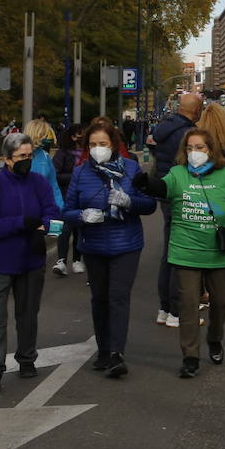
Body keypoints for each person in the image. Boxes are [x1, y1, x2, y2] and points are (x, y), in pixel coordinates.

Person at [134, 128, 225, 378]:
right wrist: (146, 183)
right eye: (189, 148)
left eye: (200, 148)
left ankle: (215, 338)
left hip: (217, 251)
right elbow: (162, 188)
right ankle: (190, 356)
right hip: (185, 251)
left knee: (221, 302)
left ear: (211, 150)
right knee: (188, 305)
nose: (194, 153)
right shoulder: (178, 174)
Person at [63, 120, 157, 378]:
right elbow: (67, 210)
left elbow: (149, 204)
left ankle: (116, 352)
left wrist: (129, 202)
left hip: (125, 243)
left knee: (118, 296)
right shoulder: (81, 172)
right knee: (100, 298)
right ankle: (103, 349)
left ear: (113, 144)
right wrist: (82, 216)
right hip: (93, 244)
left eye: (102, 144)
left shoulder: (130, 168)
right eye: (92, 144)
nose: (97, 149)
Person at [0, 133, 59, 394]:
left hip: (31, 259)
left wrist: (47, 226)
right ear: (6, 159)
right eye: (22, 156)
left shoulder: (39, 183)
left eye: (30, 156)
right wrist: (21, 223)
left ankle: (26, 359)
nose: (27, 161)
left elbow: (51, 212)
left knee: (28, 314)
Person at [147, 93, 202, 326]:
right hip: (181, 192)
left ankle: (164, 308)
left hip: (164, 189)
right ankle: (176, 311)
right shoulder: (187, 134)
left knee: (168, 252)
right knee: (180, 252)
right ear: (196, 110)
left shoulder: (164, 128)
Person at [51, 123, 85, 275]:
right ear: (72, 136)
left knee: (79, 229)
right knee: (65, 229)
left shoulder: (87, 153)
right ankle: (61, 261)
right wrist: (75, 177)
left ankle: (77, 260)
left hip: (83, 197)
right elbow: (55, 176)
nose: (82, 137)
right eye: (79, 134)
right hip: (66, 196)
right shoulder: (62, 154)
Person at [22, 119, 64, 230]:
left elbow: (53, 186)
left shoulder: (45, 156)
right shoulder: (17, 156)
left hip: (44, 215)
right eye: (44, 134)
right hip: (23, 215)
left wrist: (60, 209)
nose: (48, 138)